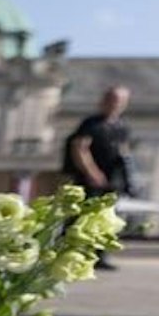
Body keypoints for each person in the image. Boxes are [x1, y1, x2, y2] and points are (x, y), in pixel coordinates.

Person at [63, 85, 132, 269]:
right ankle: (70, 253)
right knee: (81, 216)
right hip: (89, 180)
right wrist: (92, 172)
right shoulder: (91, 124)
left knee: (105, 218)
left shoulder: (121, 126)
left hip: (111, 179)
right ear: (103, 101)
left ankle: (98, 256)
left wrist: (125, 177)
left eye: (119, 101)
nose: (115, 104)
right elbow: (80, 148)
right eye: (112, 100)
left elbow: (124, 151)